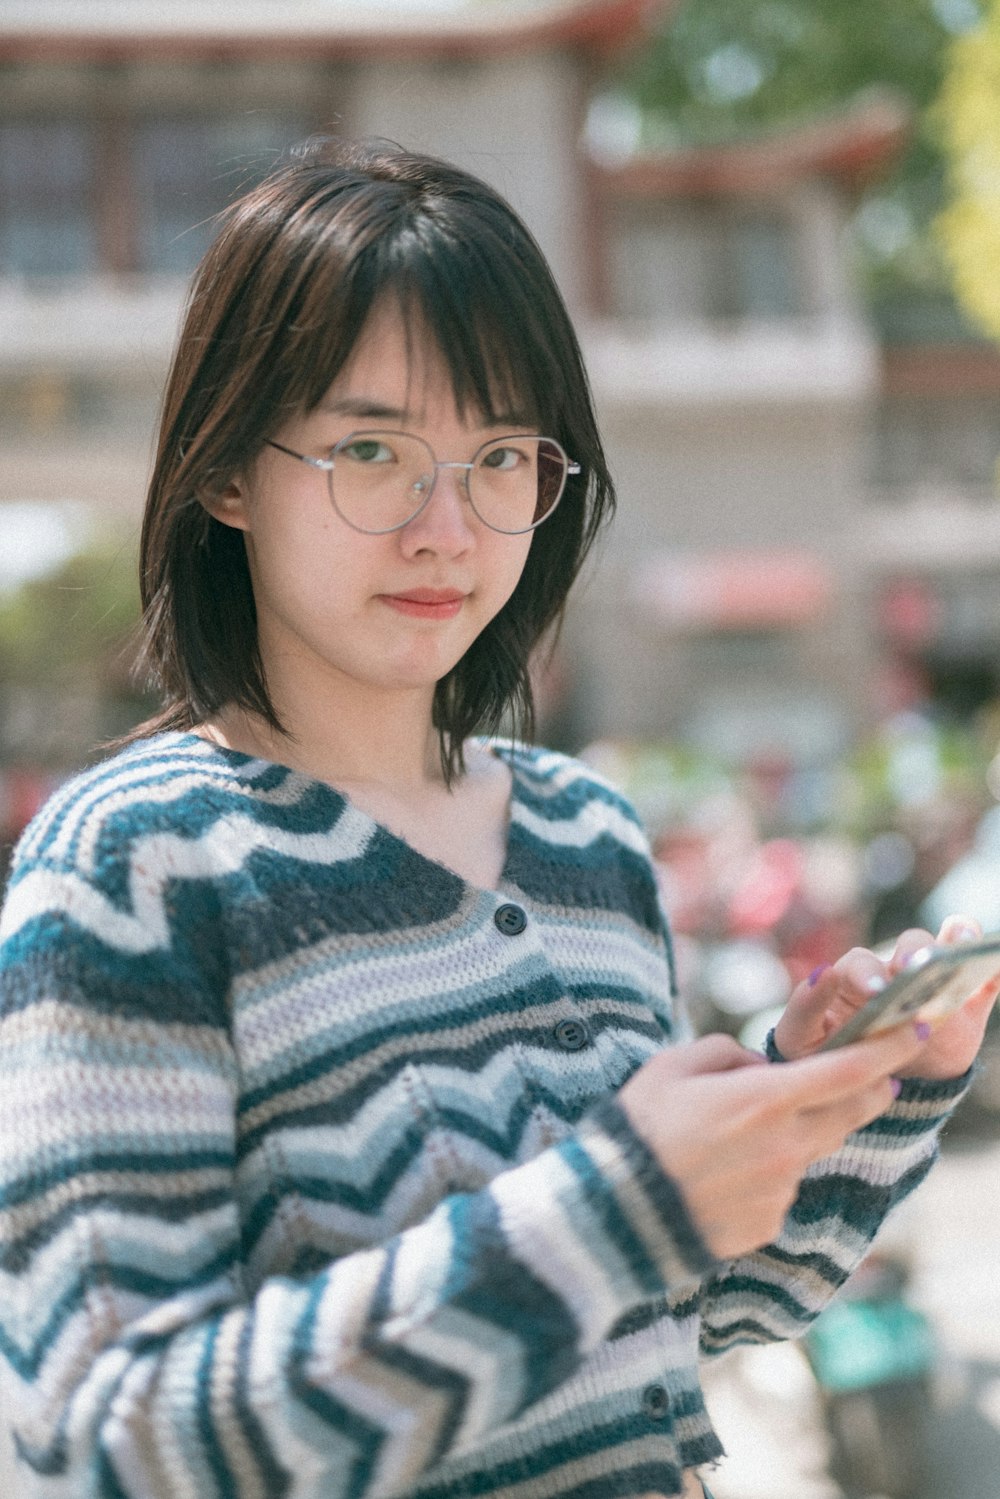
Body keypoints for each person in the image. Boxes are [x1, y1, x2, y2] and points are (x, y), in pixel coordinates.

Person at [0, 138, 993, 1499]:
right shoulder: (137, 863)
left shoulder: (587, 837)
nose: (445, 528)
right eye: (371, 449)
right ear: (228, 475)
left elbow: (681, 1325)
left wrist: (862, 1093)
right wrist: (622, 1201)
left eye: (504, 457)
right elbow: (112, 1439)